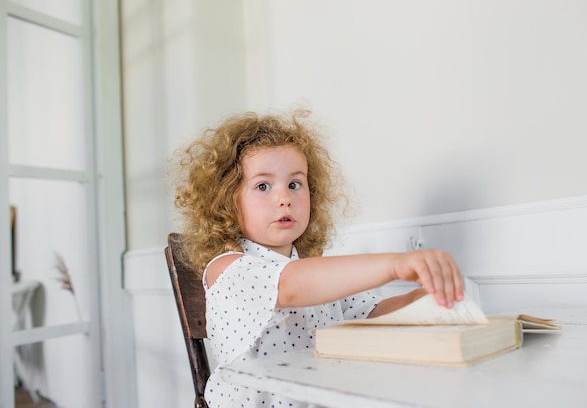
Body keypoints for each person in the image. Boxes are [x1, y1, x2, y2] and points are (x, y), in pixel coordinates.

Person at [172, 109, 464, 407]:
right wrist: (395, 264)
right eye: (263, 186)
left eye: (295, 184)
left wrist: (420, 299)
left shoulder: (314, 275)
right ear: (226, 203)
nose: (284, 197)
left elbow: (370, 313)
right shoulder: (229, 270)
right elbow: (290, 287)